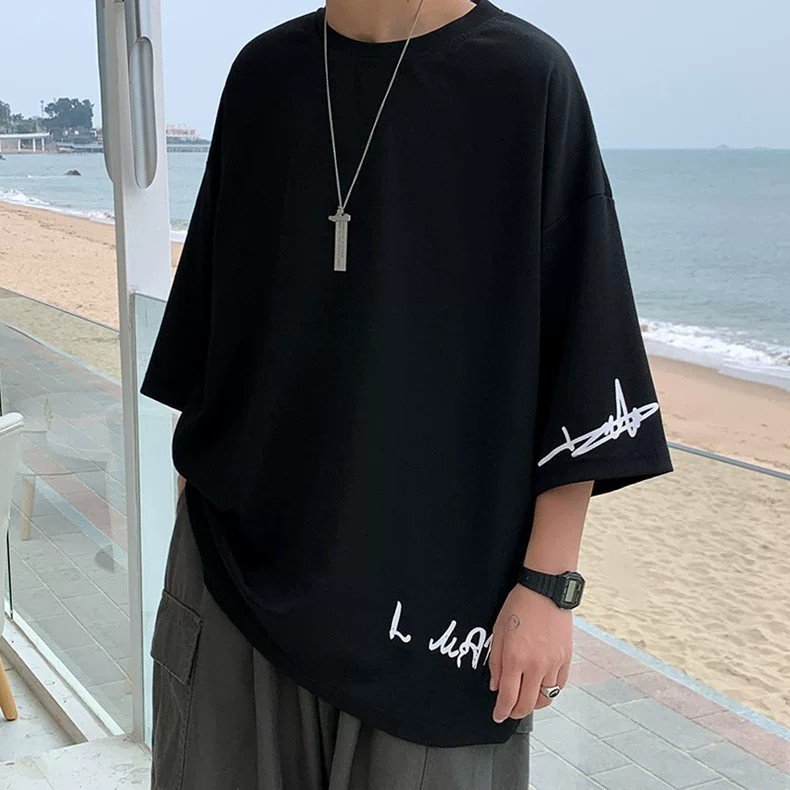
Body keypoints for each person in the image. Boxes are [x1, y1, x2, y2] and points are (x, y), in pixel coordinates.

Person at [139, 0, 674, 787]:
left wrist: (548, 587)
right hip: (236, 585)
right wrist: (193, 519)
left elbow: (585, 354)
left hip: (439, 608)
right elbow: (213, 327)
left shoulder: (526, 80)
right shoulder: (264, 75)